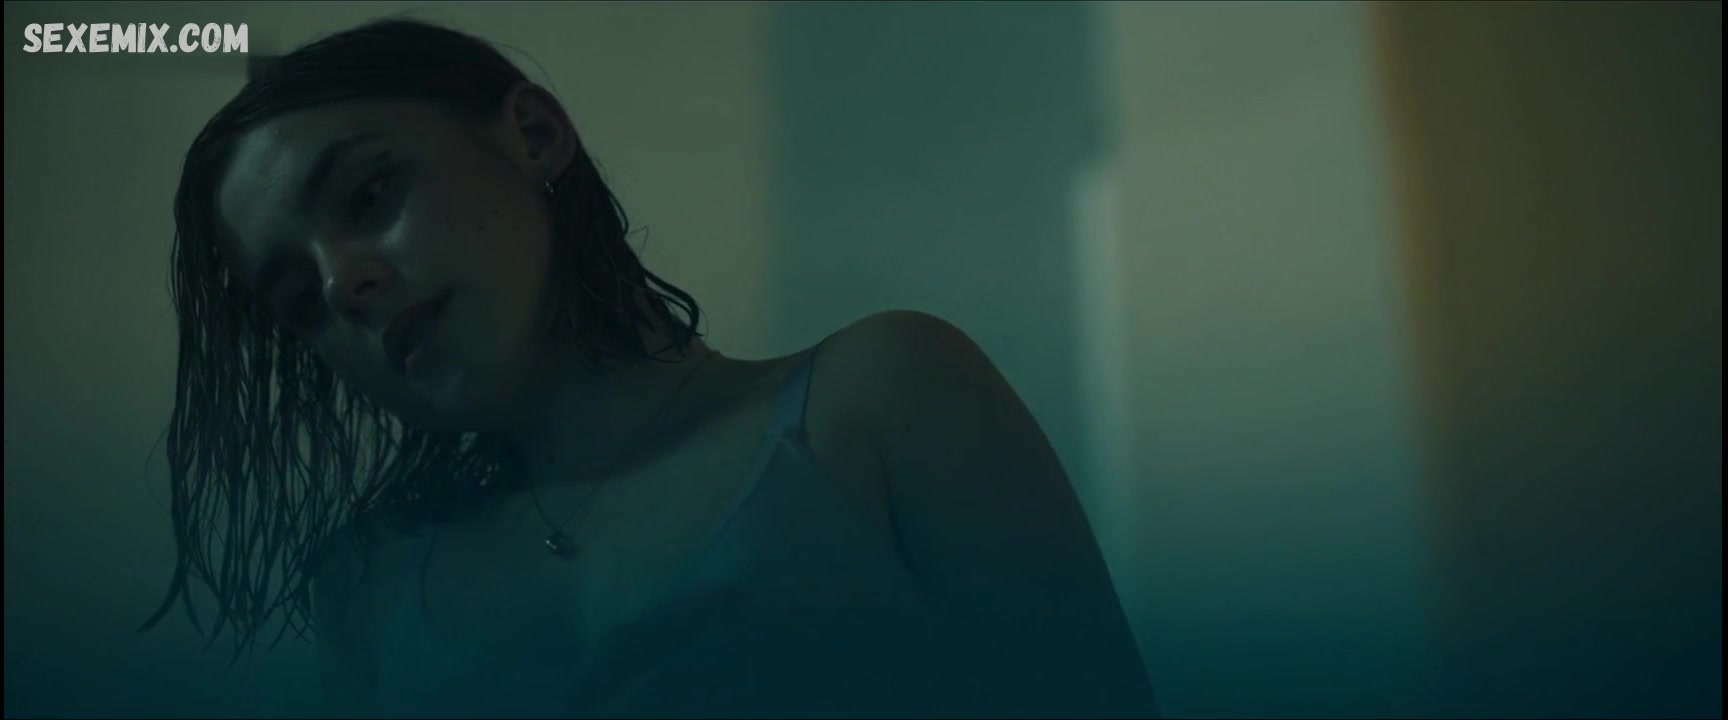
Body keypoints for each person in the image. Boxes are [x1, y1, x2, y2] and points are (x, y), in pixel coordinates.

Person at [143, 18, 1159, 719]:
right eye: (298, 296)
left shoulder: (881, 398)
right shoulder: (368, 588)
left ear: (535, 135)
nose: (345, 284)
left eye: (369, 195)